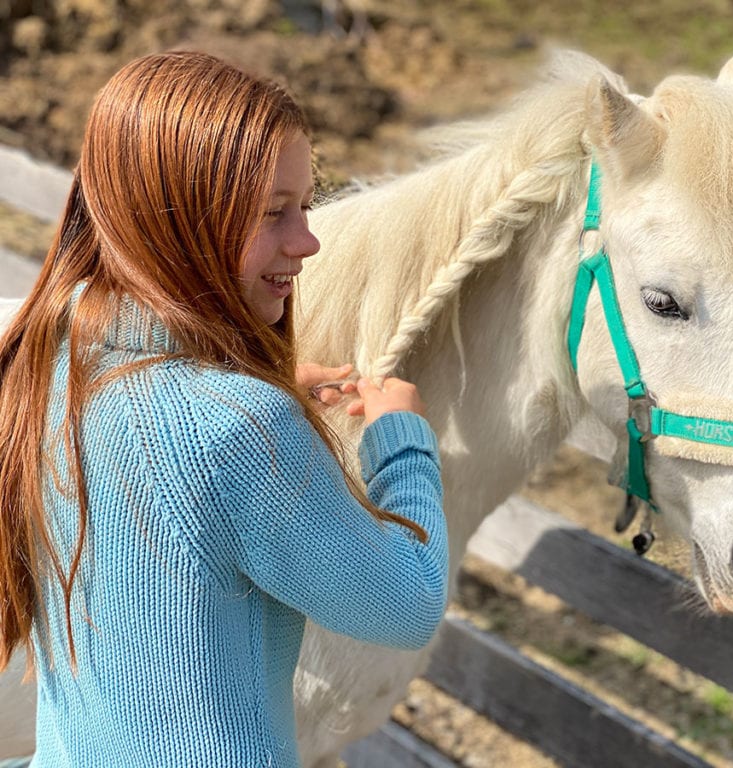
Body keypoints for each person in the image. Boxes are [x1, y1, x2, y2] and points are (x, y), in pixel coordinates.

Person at [0, 51, 448, 767]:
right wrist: (403, 444)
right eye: (273, 213)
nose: (307, 240)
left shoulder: (53, 345)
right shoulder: (240, 429)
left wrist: (230, 381)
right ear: (172, 220)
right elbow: (405, 607)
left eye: (306, 204)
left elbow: (158, 435)